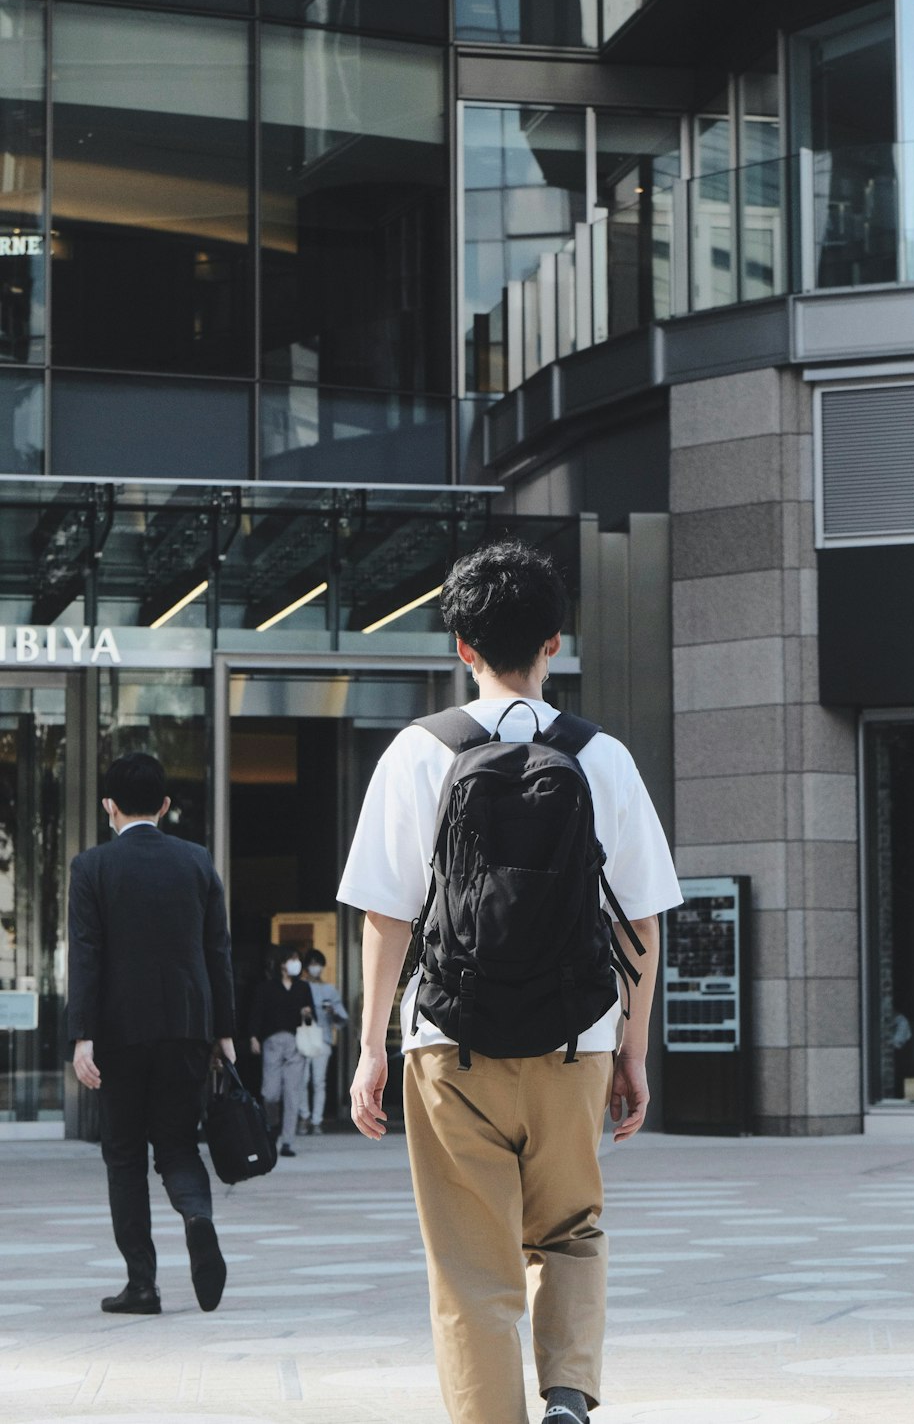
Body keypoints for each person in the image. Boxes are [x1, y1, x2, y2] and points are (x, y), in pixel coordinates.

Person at [339, 539, 682, 1424]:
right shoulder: (602, 757)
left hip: (448, 1044)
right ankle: (567, 1393)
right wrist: (632, 1052)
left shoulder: (416, 753)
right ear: (554, 643)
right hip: (576, 1040)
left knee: (469, 1262)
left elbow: (386, 916)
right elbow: (640, 920)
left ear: (462, 647)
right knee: (570, 1229)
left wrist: (372, 1046)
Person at [68, 752, 235, 1318]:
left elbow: (87, 955)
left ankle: (142, 1284)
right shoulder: (195, 861)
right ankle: (198, 1217)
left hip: (119, 1034)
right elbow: (218, 951)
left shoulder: (91, 868)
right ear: (165, 806)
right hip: (188, 1029)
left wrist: (82, 1034)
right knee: (178, 1145)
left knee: (123, 1156)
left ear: (108, 806)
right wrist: (225, 1032)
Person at [248, 945, 314, 1157]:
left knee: (292, 1094)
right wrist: (253, 1037)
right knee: (270, 1092)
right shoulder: (267, 987)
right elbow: (256, 1013)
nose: (296, 963)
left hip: (296, 1043)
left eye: (297, 959)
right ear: (282, 964)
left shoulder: (303, 988)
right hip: (272, 1042)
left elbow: (312, 1020)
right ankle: (272, 1130)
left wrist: (307, 1014)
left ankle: (287, 1141)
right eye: (291, 959)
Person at [298, 948, 348, 1134]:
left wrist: (332, 1012)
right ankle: (304, 1117)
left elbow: (342, 1018)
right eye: (311, 964)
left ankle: (316, 1120)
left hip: (324, 1039)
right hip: (303, 1038)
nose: (315, 968)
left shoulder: (329, 990)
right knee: (302, 1081)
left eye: (317, 964)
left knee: (319, 1082)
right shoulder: (299, 987)